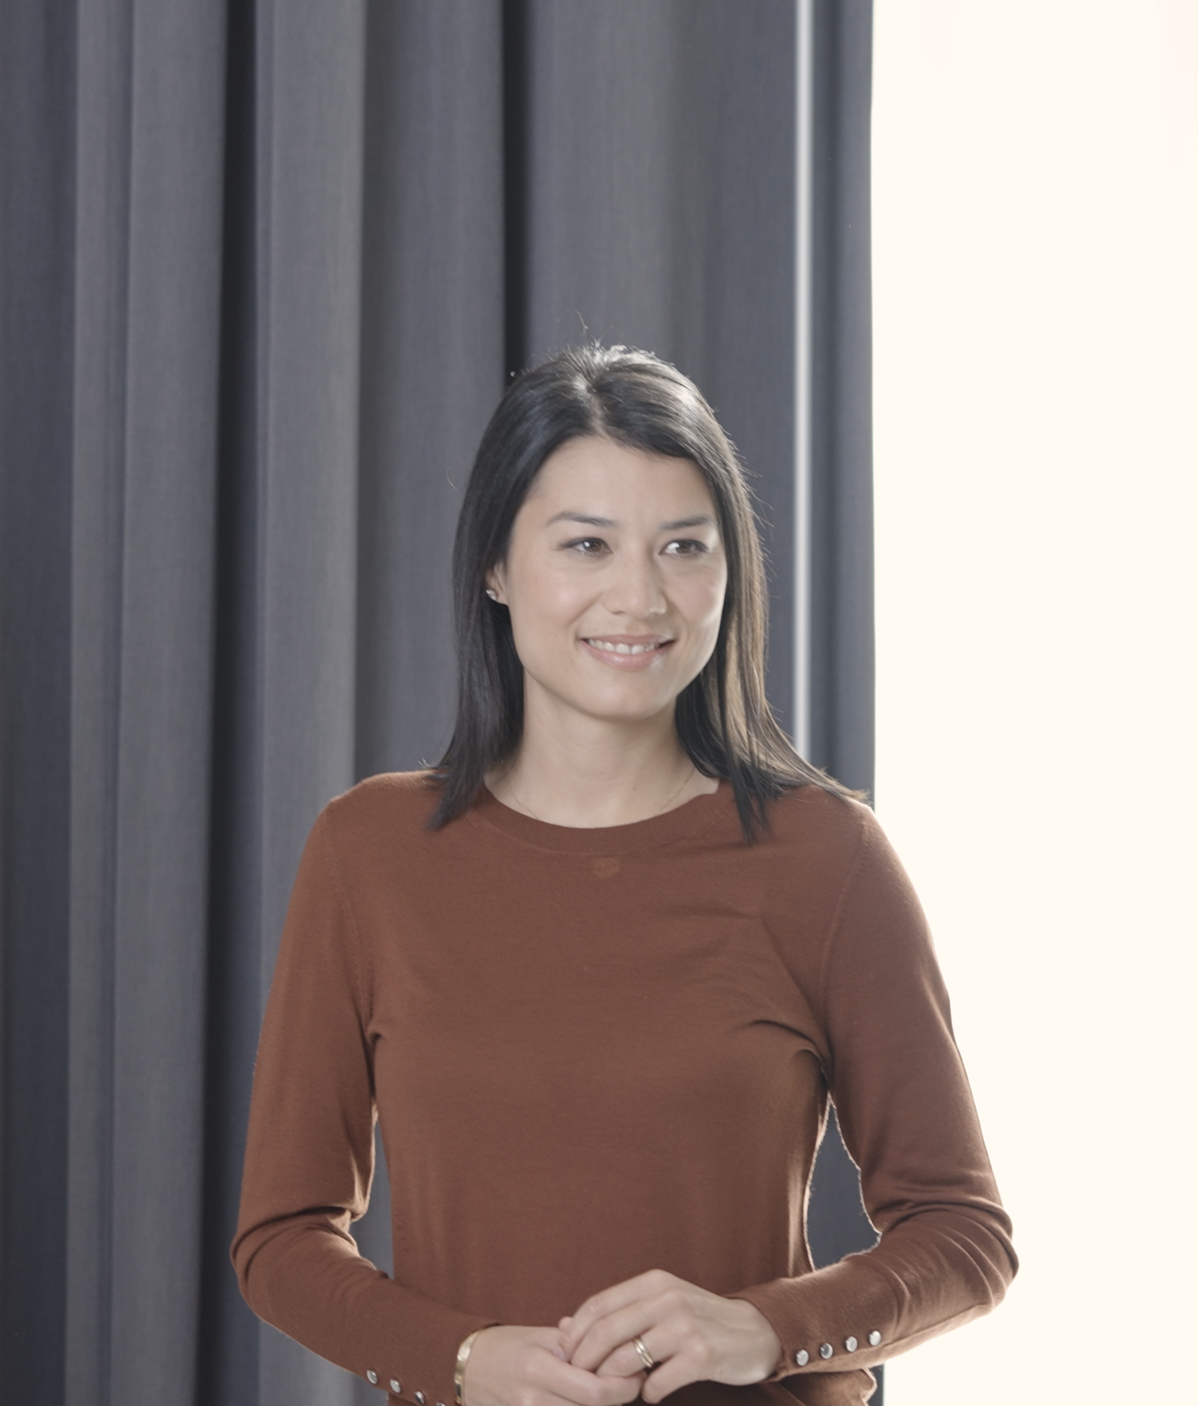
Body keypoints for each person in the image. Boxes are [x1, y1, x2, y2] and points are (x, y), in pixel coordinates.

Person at [231, 345, 1013, 1406]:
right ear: (495, 567)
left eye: (683, 546)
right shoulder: (367, 852)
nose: (639, 596)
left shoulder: (827, 858)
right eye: (586, 544)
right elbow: (280, 1237)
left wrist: (766, 1327)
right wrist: (457, 1356)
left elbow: (964, 1235)